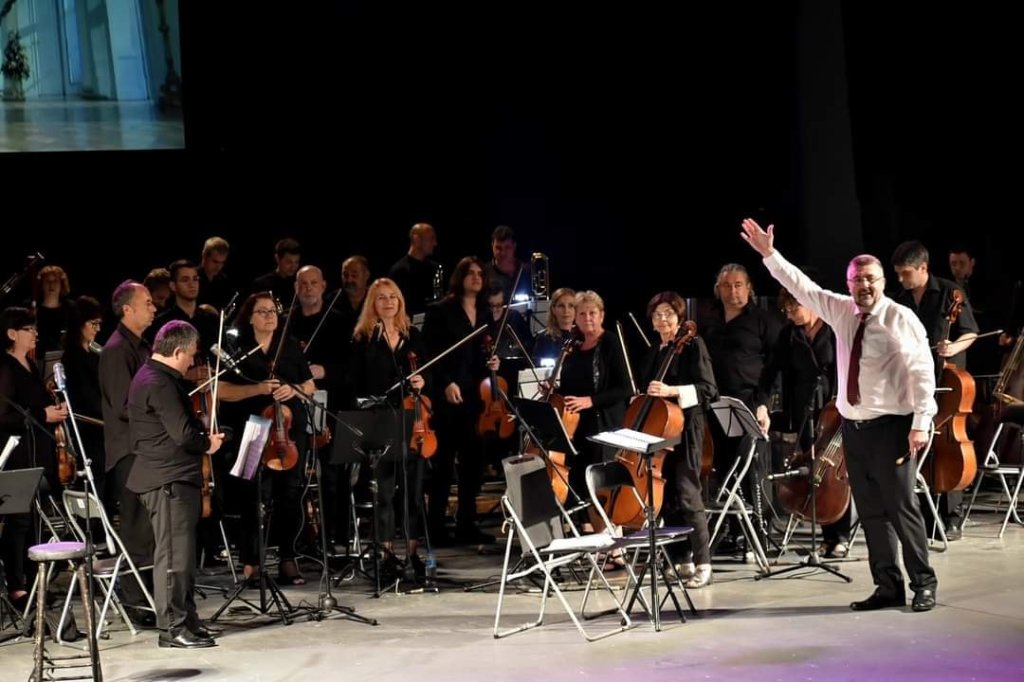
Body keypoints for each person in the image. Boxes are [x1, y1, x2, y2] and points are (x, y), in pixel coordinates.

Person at [740, 217, 938, 612]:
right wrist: (770, 255)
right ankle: (888, 586)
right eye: (856, 279)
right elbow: (803, 287)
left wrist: (920, 423)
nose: (864, 285)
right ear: (848, 284)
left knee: (901, 508)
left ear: (882, 282)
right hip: (854, 429)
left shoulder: (900, 318)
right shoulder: (842, 310)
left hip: (894, 426)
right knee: (871, 511)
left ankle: (923, 583)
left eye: (870, 279)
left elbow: (922, 372)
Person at [127, 320, 225, 648]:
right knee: (173, 557)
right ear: (178, 351)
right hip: (167, 479)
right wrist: (208, 443)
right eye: (191, 355)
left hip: (172, 477)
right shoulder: (158, 382)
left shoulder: (156, 377)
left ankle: (188, 619)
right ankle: (172, 627)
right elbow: (183, 434)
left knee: (183, 556)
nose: (192, 361)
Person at [217, 292, 316, 585]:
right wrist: (257, 389)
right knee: (251, 495)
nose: (270, 316)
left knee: (290, 494)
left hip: (288, 429)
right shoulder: (237, 348)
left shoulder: (289, 345)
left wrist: (293, 390)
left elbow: (309, 384)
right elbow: (221, 390)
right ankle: (252, 562)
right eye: (262, 311)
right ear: (249, 317)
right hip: (252, 427)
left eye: (273, 311)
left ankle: (288, 558)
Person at [891, 240, 978, 540]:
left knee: (946, 440)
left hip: (946, 378)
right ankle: (922, 512)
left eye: (906, 273)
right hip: (912, 379)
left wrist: (953, 346)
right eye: (898, 273)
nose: (901, 279)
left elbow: (971, 333)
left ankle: (951, 514)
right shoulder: (900, 300)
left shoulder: (950, 292)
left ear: (923, 268)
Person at [696, 263, 781, 557]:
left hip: (749, 402)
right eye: (726, 286)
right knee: (723, 468)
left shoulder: (763, 321)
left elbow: (774, 367)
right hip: (716, 403)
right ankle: (733, 531)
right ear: (718, 290)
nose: (732, 291)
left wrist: (764, 404)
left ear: (749, 288)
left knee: (751, 469)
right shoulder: (709, 321)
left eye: (738, 285)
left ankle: (759, 534)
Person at [347, 278, 430, 580]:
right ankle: (386, 555)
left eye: (393, 296)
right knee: (383, 492)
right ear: (373, 303)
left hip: (413, 420)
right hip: (380, 420)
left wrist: (423, 380)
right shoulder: (363, 339)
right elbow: (355, 382)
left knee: (413, 492)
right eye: (381, 297)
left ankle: (412, 554)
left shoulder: (413, 335)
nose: (388, 302)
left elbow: (427, 372)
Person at [760, 287, 852, 557]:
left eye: (794, 309)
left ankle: (840, 535)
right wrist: (762, 404)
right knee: (814, 471)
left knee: (835, 470)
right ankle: (825, 533)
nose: (790, 315)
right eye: (786, 310)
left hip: (835, 409)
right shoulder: (789, 334)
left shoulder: (834, 329)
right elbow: (771, 371)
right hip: (804, 410)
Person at [637, 292, 718, 588]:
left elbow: (709, 390)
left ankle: (704, 563)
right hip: (659, 432)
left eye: (669, 314)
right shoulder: (654, 351)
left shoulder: (693, 345)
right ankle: (681, 559)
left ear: (680, 318)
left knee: (687, 494)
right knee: (667, 497)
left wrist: (672, 391)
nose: (663, 320)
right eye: (657, 315)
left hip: (686, 429)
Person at [422, 256, 500, 545]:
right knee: (443, 466)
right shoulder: (440, 311)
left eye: (480, 273)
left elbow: (484, 352)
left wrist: (493, 363)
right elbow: (431, 353)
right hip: (448, 396)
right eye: (471, 273)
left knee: (473, 465)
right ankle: (436, 528)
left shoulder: (485, 313)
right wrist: (445, 383)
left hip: (476, 399)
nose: (477, 277)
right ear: (459, 277)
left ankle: (467, 523)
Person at [0, 307, 68, 612]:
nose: (35, 334)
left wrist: (53, 407)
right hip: (17, 455)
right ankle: (18, 587)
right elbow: (4, 415)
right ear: (12, 334)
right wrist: (43, 414)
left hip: (38, 451)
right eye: (29, 329)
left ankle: (34, 582)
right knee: (19, 521)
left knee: (35, 521)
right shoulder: (5, 367)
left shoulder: (29, 364)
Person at [99, 280, 158, 623]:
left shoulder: (143, 346)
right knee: (136, 526)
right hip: (129, 451)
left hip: (146, 448)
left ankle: (150, 595)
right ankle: (136, 602)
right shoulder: (116, 350)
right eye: (147, 302)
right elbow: (124, 405)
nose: (153, 307)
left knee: (149, 527)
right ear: (127, 309)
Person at [558, 290, 631, 525]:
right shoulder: (574, 346)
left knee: (602, 488)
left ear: (601, 315)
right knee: (583, 485)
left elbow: (625, 388)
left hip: (604, 426)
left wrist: (591, 401)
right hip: (577, 427)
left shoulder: (610, 342)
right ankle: (595, 536)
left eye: (592, 313)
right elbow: (570, 388)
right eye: (582, 313)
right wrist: (554, 388)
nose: (587, 317)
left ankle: (612, 540)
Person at [388, 222, 443, 316]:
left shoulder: (436, 268)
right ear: (416, 239)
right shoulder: (400, 271)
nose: (435, 243)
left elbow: (439, 300)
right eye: (431, 239)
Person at [483, 225, 533, 303]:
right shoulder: (484, 272)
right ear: (492, 245)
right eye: (498, 248)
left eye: (507, 247)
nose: (503, 253)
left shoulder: (527, 270)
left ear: (514, 246)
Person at [250, 238, 302, 306]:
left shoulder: (300, 283)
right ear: (277, 258)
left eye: (296, 262)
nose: (293, 267)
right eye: (288, 262)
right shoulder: (262, 284)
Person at [532, 287, 577, 365]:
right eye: (561, 306)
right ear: (553, 309)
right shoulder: (544, 339)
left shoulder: (582, 337)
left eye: (571, 306)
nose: (566, 310)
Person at [197, 236, 233, 311]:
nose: (218, 267)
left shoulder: (223, 280)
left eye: (222, 262)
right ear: (204, 256)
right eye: (215, 262)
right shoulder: (193, 278)